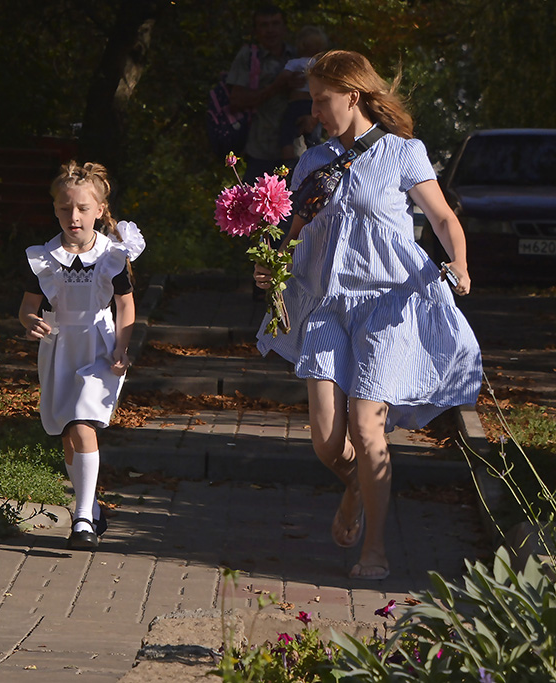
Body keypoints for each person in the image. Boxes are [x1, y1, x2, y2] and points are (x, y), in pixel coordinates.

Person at [253, 51, 482, 581]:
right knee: (327, 440)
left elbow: (443, 217)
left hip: (387, 306)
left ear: (352, 95)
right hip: (327, 306)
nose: (313, 110)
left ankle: (374, 549)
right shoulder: (313, 162)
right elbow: (293, 237)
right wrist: (271, 271)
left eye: (320, 99)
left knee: (367, 426)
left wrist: (460, 263)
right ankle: (356, 484)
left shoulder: (404, 153)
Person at [19, 161, 145, 550]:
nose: (73, 217)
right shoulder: (43, 257)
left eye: (82, 209)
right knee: (67, 432)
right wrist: (30, 321)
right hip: (59, 345)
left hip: (100, 346)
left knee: (82, 421)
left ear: (99, 210)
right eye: (64, 208)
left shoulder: (111, 256)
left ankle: (83, 519)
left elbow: (125, 305)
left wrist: (123, 346)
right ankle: (90, 505)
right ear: (55, 209)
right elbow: (28, 306)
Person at [227, 4, 297, 181]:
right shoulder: (248, 57)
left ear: (284, 27)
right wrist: (276, 87)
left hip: (296, 149)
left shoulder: (298, 56)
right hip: (260, 151)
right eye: (264, 25)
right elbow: (236, 100)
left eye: (275, 24)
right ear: (256, 30)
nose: (270, 30)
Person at [277, 25, 328, 164]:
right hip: (313, 105)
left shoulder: (295, 63)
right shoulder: (319, 66)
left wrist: (290, 80)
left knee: (287, 132)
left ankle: (288, 162)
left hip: (295, 103)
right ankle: (317, 162)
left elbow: (282, 78)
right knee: (313, 137)